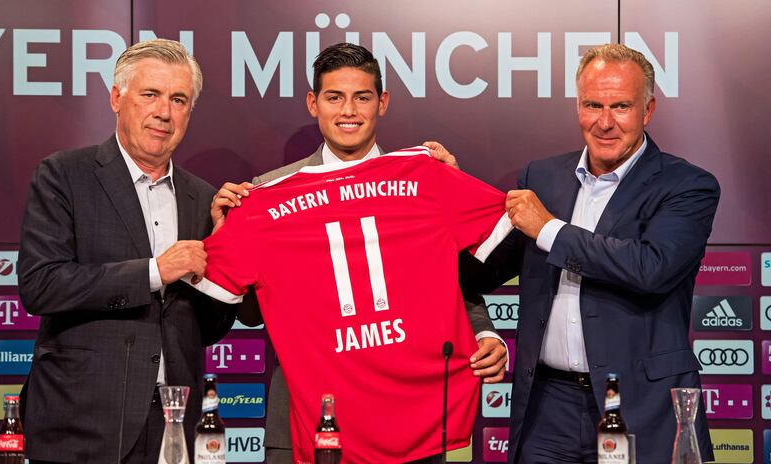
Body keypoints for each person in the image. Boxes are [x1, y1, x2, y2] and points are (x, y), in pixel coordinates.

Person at [211, 42, 508, 464]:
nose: (348, 110)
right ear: (314, 104)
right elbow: (250, 314)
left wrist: (484, 331)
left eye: (362, 97)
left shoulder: (426, 181)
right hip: (307, 421)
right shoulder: (266, 193)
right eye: (334, 97)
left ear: (381, 103)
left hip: (411, 422)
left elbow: (456, 278)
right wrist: (229, 233)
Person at [469, 44, 718, 463]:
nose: (605, 122)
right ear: (577, 106)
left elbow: (649, 266)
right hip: (546, 407)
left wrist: (548, 228)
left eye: (621, 106)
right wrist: (440, 190)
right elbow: (480, 271)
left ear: (648, 109)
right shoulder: (541, 177)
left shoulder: (687, 185)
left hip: (641, 404)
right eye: (592, 105)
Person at [17, 39, 237, 464]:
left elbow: (207, 329)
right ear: (117, 98)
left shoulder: (202, 198)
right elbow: (40, 285)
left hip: (173, 424)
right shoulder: (64, 175)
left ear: (190, 112)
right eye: (150, 94)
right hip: (81, 423)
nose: (163, 112)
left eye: (178, 99)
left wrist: (221, 263)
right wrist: (156, 271)